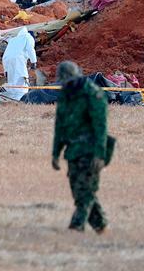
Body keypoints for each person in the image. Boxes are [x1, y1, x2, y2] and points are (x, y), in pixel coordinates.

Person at [52, 61, 109, 233]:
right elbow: (60, 126)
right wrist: (56, 153)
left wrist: (100, 154)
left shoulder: (93, 94)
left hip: (91, 150)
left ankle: (76, 227)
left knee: (86, 190)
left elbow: (101, 127)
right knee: (79, 191)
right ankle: (100, 225)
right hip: (73, 152)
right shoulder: (65, 95)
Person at [1, 27, 37, 101]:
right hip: (17, 59)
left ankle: (11, 95)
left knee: (11, 78)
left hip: (6, 59)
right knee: (21, 76)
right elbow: (30, 49)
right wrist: (34, 62)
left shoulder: (13, 39)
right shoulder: (28, 37)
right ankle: (21, 98)